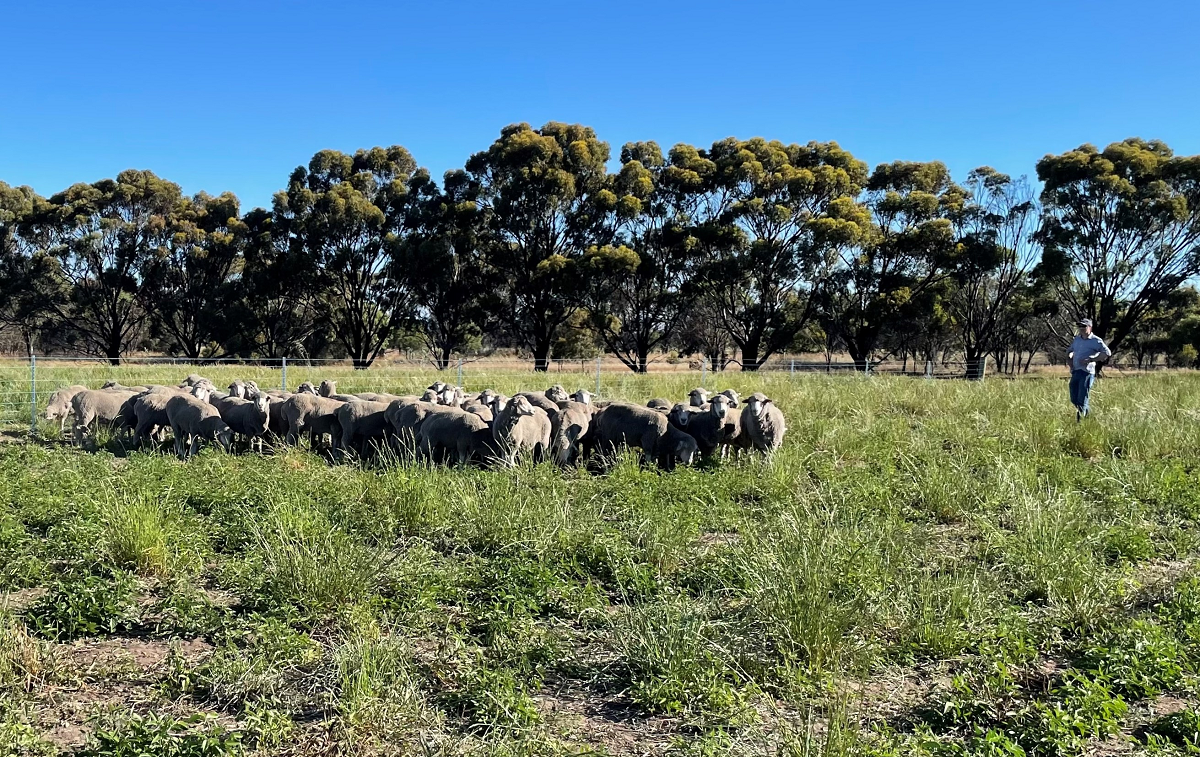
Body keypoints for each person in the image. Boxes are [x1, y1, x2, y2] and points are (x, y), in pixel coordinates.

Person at [1067, 318, 1111, 421]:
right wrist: (1070, 356)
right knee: (1074, 398)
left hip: (1086, 373)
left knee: (1082, 399)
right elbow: (1070, 350)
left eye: (1084, 326)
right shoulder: (1077, 339)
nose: (1081, 328)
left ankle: (1081, 422)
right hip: (1075, 371)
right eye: (1080, 326)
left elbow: (1107, 353)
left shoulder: (1096, 340)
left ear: (1090, 327)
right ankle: (1087, 416)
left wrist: (1091, 359)